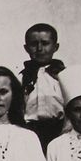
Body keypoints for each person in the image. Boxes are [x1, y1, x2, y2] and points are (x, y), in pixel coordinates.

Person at [19, 23, 66, 151]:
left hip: (59, 131)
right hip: (29, 132)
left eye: (45, 43)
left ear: (55, 47)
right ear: (26, 48)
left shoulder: (64, 77)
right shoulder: (21, 78)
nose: (39, 49)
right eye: (34, 44)